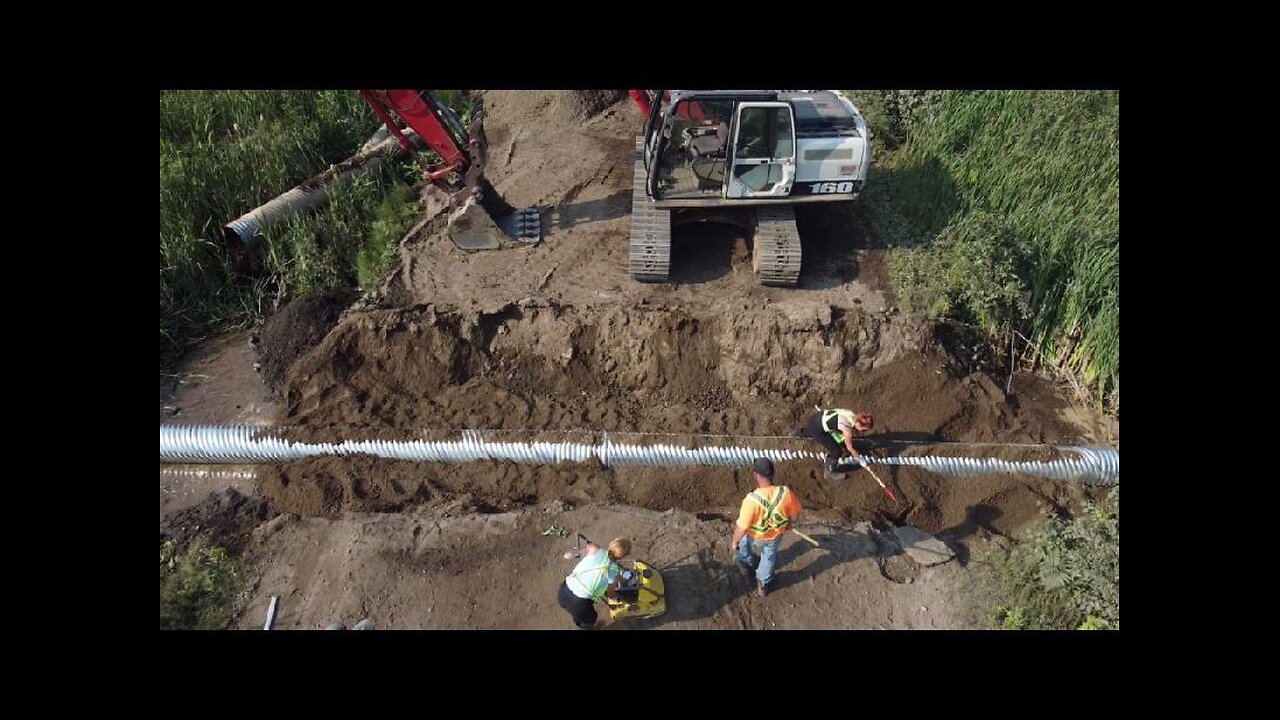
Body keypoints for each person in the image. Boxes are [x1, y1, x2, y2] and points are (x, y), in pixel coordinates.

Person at [730, 458, 803, 598]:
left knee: (743, 544)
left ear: (756, 475)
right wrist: (788, 524)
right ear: (772, 474)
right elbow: (794, 517)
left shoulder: (751, 500)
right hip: (775, 536)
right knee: (769, 558)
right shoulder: (785, 493)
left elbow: (742, 527)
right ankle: (763, 584)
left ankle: (746, 562)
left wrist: (734, 542)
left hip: (754, 536)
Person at [557, 537, 632, 629]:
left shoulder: (594, 548)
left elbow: (568, 555)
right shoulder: (614, 572)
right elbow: (610, 594)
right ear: (623, 556)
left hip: (563, 592)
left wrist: (576, 552)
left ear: (611, 543)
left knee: (575, 613)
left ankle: (578, 622)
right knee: (591, 619)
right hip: (580, 604)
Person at [801, 408, 874, 474]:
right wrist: (860, 460)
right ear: (859, 424)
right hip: (817, 429)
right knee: (836, 451)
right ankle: (829, 470)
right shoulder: (847, 427)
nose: (863, 431)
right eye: (864, 429)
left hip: (816, 417)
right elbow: (850, 448)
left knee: (840, 438)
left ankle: (800, 432)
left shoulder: (850, 413)